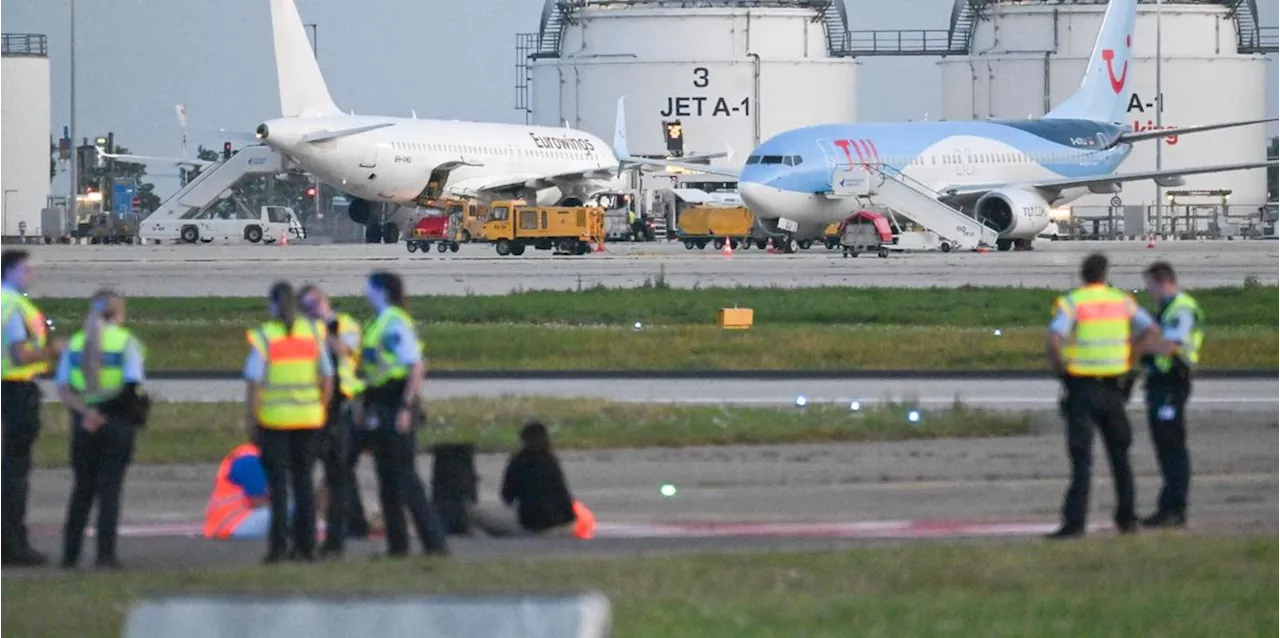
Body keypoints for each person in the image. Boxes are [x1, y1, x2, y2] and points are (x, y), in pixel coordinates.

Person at [1045, 252, 1158, 540]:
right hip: (1113, 388)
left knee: (1081, 459)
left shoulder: (1073, 302)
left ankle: (1075, 523)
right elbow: (1150, 330)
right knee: (1120, 457)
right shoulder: (1121, 301)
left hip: (1081, 387)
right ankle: (1127, 518)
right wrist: (1130, 360)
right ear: (1105, 275)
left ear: (1082, 275)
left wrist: (1063, 372)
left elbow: (1054, 339)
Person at [243, 281, 334, 563]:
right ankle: (307, 548)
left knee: (279, 488)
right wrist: (320, 406)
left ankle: (279, 548)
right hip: (308, 419)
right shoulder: (313, 332)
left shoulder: (266, 336)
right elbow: (327, 377)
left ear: (272, 305)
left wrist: (252, 417)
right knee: (304, 483)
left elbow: (254, 382)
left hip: (274, 421)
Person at [359, 270, 448, 557]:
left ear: (382, 291)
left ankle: (434, 542)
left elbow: (415, 366)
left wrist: (406, 407)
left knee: (405, 476)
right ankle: (397, 545)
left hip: (395, 401)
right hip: (379, 401)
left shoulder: (394, 322)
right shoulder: (378, 321)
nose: (365, 292)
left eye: (369, 287)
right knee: (386, 477)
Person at [56, 290, 147, 570]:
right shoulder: (125, 342)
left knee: (82, 489)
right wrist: (105, 413)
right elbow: (131, 386)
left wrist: (87, 412)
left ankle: (69, 555)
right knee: (110, 490)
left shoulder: (75, 343)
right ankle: (105, 556)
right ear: (118, 312)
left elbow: (63, 388)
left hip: (83, 423)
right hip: (116, 422)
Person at [0, 250, 65, 566]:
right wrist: (53, 350)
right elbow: (18, 355)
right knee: (14, 471)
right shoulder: (12, 306)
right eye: (25, 269)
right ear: (9, 271)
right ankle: (13, 545)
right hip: (13, 390)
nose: (30, 274)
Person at [298, 284, 370, 556]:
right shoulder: (304, 329)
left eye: (316, 302)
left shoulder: (344, 324)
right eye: (307, 305)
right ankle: (351, 522)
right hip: (316, 405)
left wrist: (322, 331)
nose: (312, 309)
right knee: (339, 470)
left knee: (342, 467)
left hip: (345, 402)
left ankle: (350, 524)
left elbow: (345, 351)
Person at [1140, 261, 1203, 529]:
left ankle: (1175, 509)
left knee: (1172, 446)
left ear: (1161, 281)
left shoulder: (1182, 308)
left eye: (1150, 285)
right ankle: (1168, 507)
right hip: (1160, 384)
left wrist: (1144, 347)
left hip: (1172, 384)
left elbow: (1170, 345)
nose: (1149, 291)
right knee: (1165, 447)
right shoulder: (1166, 309)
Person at [469, 421, 593, 539]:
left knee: (475, 514)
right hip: (567, 525)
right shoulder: (551, 460)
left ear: (523, 440)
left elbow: (507, 497)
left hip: (536, 529)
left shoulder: (519, 461)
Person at [203, 443, 273, 540]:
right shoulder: (250, 460)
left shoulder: (247, 455)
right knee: (294, 511)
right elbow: (257, 502)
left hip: (223, 524)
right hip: (234, 524)